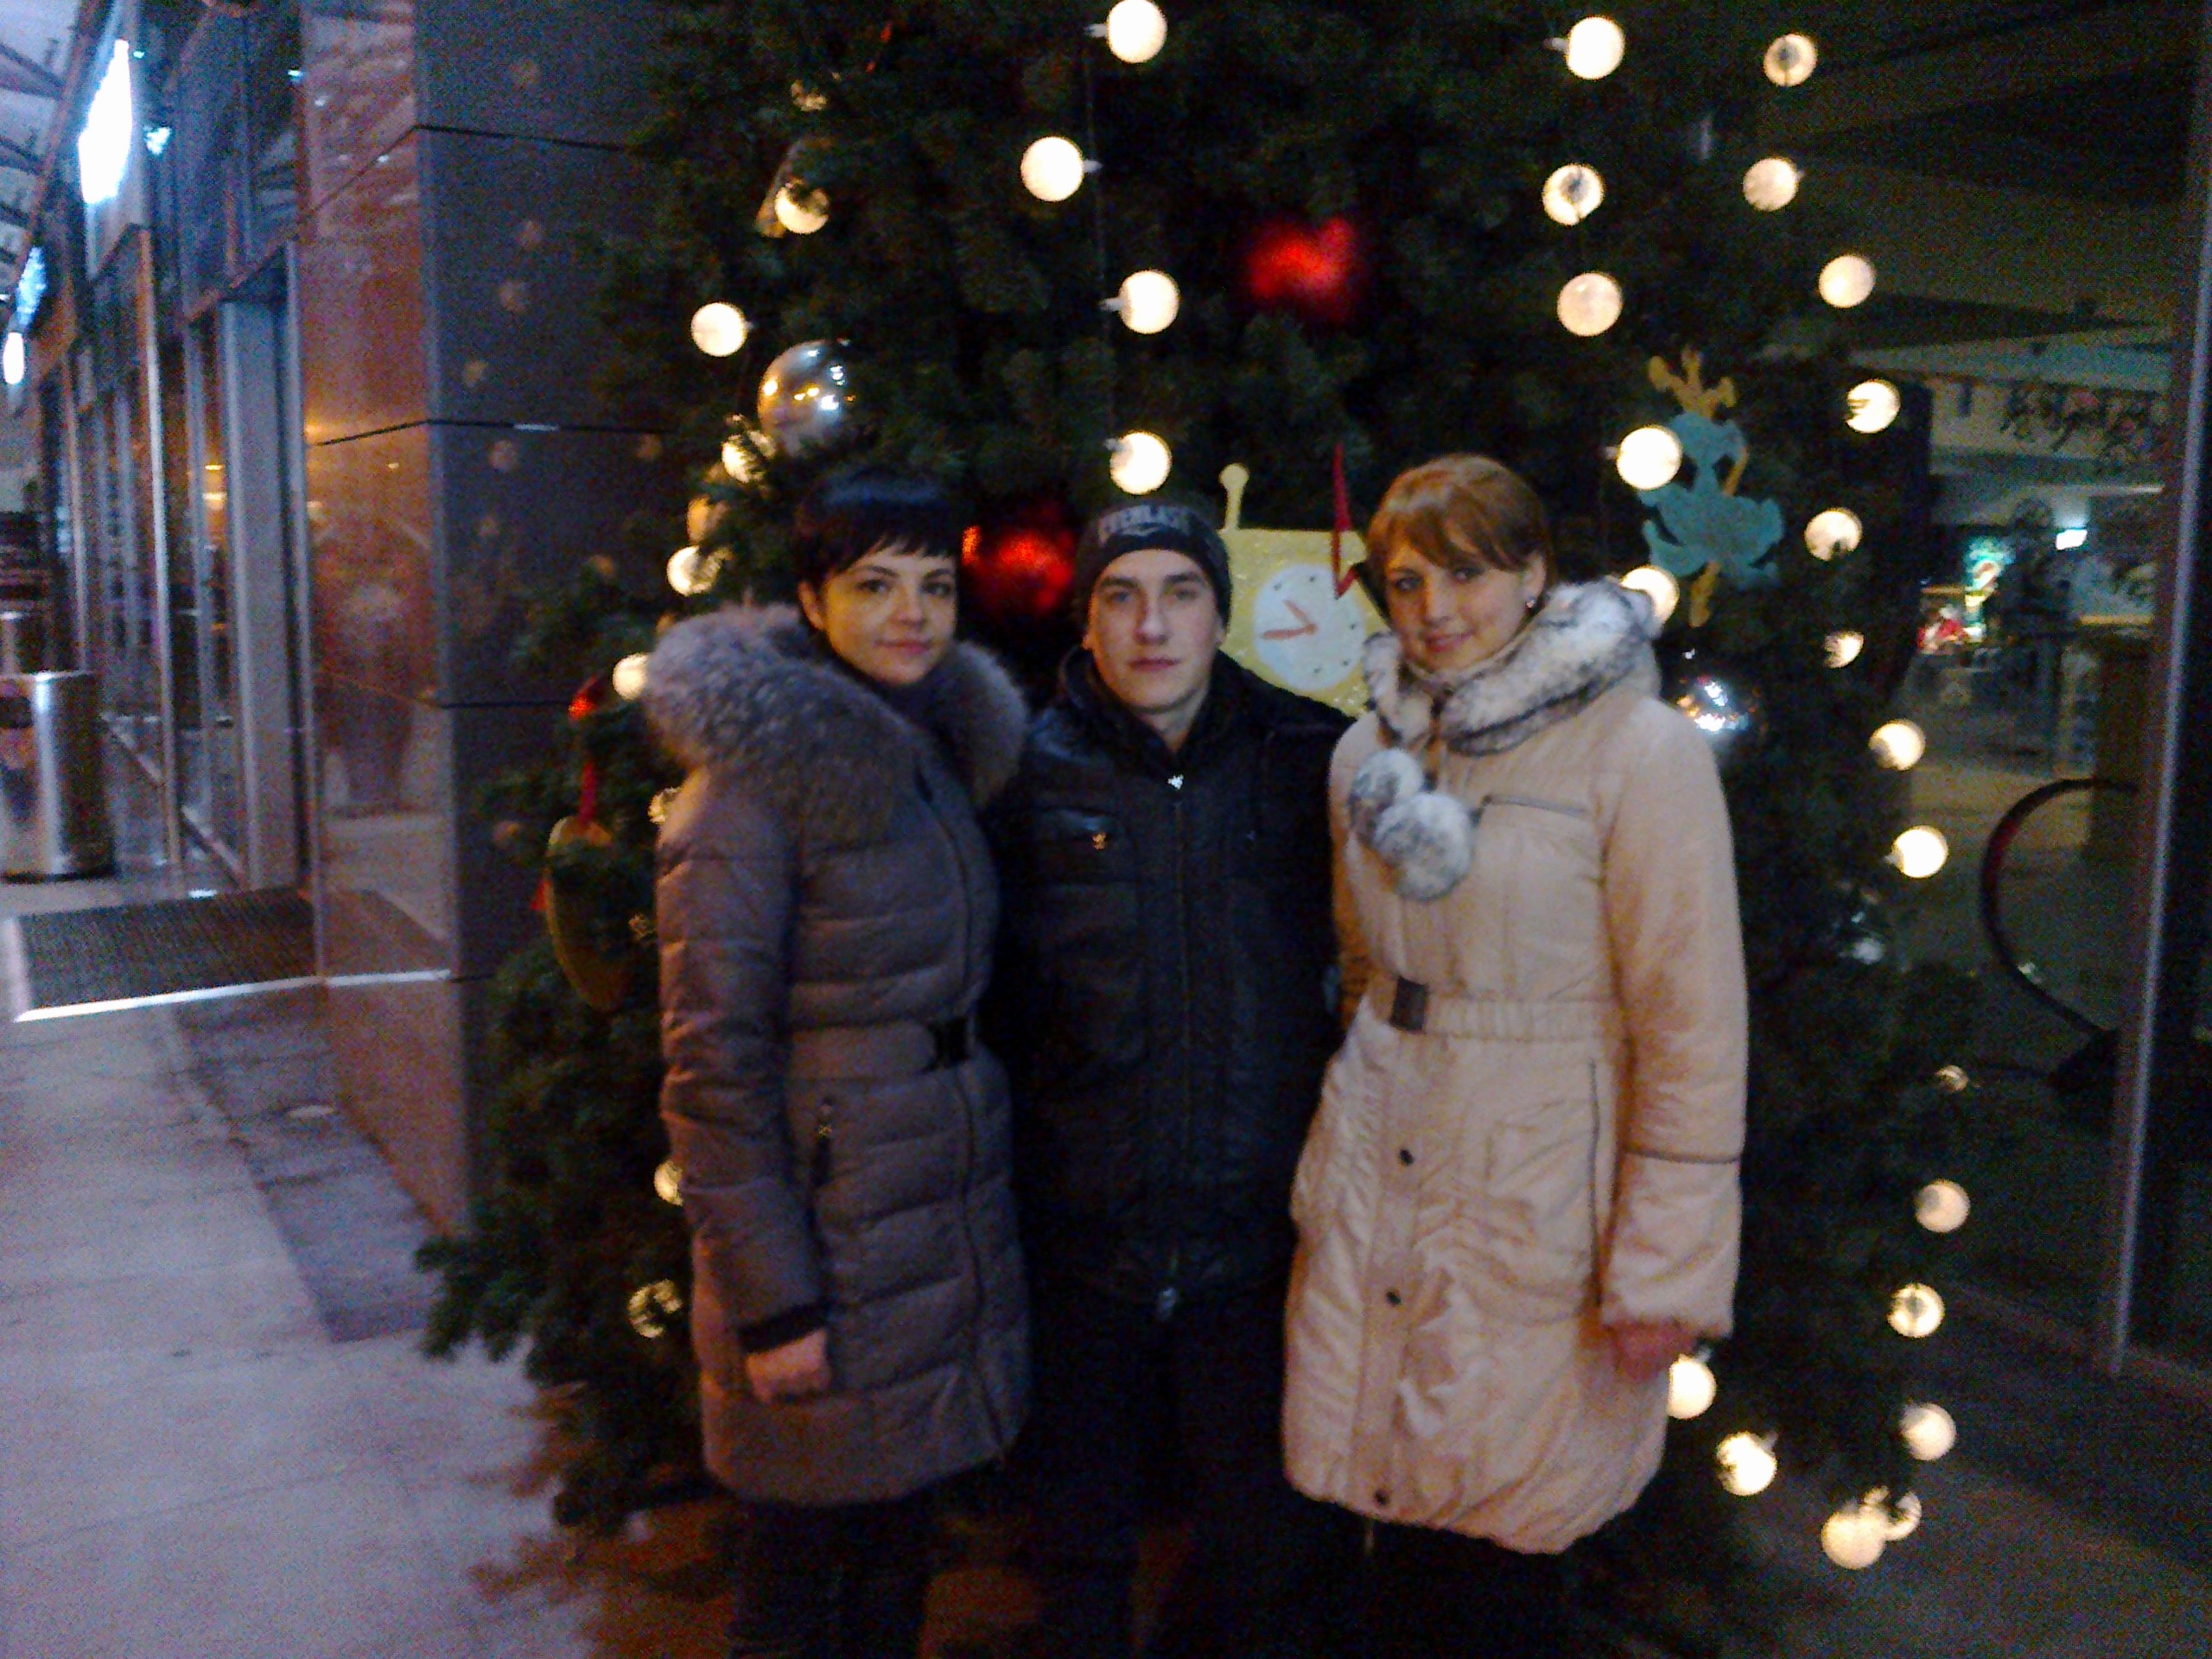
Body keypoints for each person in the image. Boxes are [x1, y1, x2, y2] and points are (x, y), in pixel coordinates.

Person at [1281, 455, 1747, 1656]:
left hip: (1537, 1193)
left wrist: (1667, 1267)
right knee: (1388, 1518)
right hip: (1382, 1165)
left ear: (1535, 574)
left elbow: (1692, 1022)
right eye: (1406, 581)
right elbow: (1362, 967)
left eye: (1468, 574)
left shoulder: (1638, 752)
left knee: (1504, 1544)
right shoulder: (1365, 757)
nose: (1435, 608)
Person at [645, 467, 1031, 1658]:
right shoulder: (747, 795)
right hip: (831, 1243)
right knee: (801, 1585)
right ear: (813, 601)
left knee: (890, 1566)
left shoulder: (930, 754)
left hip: (921, 1222)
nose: (912, 613)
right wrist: (777, 1306)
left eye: (935, 585)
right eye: (875, 585)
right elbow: (713, 1069)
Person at [988, 499, 1351, 1657]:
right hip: (1081, 1242)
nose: (1152, 625)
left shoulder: (1310, 756)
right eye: (1122, 596)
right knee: (1076, 1547)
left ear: (1218, 613)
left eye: (1181, 594)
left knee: (1265, 1547)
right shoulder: (1024, 770)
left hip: (1254, 1243)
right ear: (1087, 619)